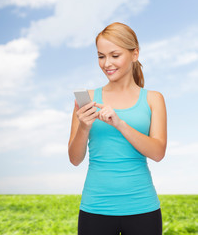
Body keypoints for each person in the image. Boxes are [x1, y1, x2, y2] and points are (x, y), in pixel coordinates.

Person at [68, 22, 167, 235]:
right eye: (101, 56)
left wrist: (120, 124)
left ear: (135, 54)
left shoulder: (153, 99)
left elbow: (158, 153)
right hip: (95, 208)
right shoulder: (87, 99)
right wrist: (84, 128)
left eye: (115, 55)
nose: (106, 63)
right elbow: (75, 159)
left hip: (143, 208)